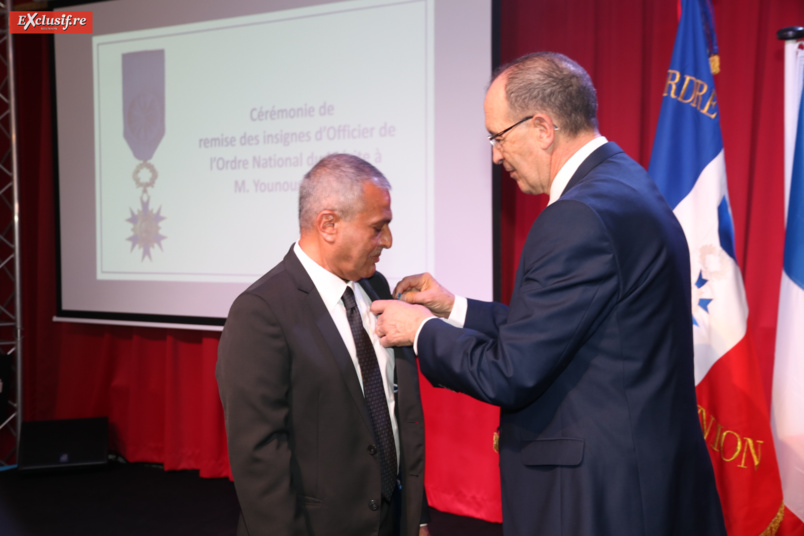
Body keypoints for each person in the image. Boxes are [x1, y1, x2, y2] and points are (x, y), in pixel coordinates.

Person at [371, 52, 727, 536]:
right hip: (645, 482)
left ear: (542, 127)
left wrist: (421, 331)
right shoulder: (626, 183)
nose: (496, 156)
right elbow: (572, 330)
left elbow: (511, 372)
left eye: (498, 138)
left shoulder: (577, 216)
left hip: (600, 499)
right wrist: (454, 309)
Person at [216, 153, 430, 536]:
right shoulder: (261, 312)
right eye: (377, 228)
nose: (388, 241)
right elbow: (259, 456)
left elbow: (396, 414)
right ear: (328, 225)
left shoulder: (376, 287)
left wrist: (417, 516)